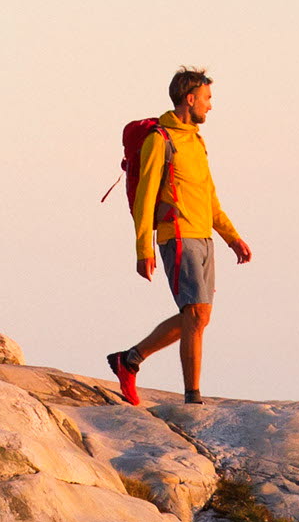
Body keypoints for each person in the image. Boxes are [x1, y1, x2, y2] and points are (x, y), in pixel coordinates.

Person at [107, 67, 255, 405]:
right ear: (190, 99)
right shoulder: (161, 139)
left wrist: (231, 237)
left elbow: (209, 196)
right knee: (195, 315)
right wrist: (143, 248)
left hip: (204, 236)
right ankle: (193, 398)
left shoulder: (196, 141)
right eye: (207, 98)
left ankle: (129, 359)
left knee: (199, 317)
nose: (210, 106)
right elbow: (145, 197)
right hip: (177, 235)